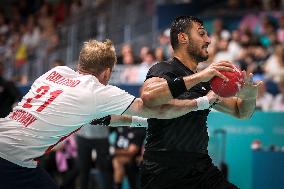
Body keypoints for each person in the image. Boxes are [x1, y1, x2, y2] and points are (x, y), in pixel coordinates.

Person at [0, 39, 231, 189]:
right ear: (108, 71)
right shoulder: (97, 92)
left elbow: (106, 118)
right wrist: (203, 101)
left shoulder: (56, 72)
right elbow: (157, 109)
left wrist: (145, 124)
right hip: (12, 160)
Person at [139, 16, 262, 189]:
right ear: (183, 38)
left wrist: (249, 96)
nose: (208, 39)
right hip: (163, 170)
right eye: (202, 34)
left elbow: (241, 112)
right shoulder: (163, 69)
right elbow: (149, 96)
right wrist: (201, 76)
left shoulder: (206, 82)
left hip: (200, 168)